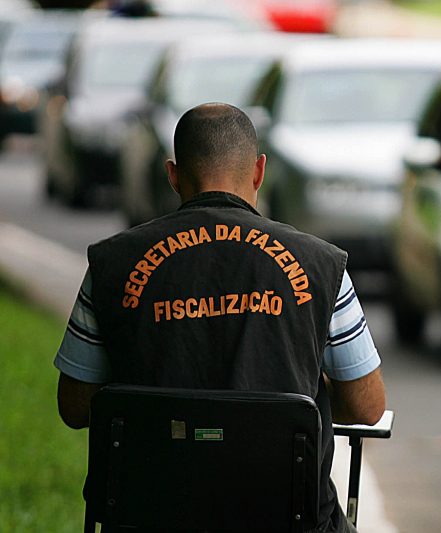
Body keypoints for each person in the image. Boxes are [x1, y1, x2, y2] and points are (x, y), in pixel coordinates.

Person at [54, 102, 385, 533]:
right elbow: (368, 406)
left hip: (146, 519)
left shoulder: (111, 265)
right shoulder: (321, 266)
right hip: (286, 520)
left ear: (173, 176)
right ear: (259, 172)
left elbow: (75, 405)